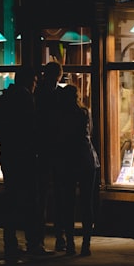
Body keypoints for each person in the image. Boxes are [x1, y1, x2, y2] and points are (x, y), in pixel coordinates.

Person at [0, 65, 54, 260]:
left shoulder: (6, 95)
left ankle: (10, 242)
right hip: (24, 155)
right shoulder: (25, 98)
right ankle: (33, 242)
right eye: (34, 81)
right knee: (32, 200)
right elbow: (32, 128)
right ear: (29, 80)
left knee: (11, 198)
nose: (35, 85)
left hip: (7, 153)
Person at [52, 84, 100, 256]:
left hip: (67, 160)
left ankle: (70, 243)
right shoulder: (84, 113)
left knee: (68, 203)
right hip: (86, 159)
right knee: (87, 203)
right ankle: (86, 244)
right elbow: (90, 133)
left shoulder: (60, 116)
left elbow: (58, 138)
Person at [35, 60, 65, 250]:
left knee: (40, 197)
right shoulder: (61, 95)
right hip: (58, 151)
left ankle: (38, 238)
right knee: (61, 195)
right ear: (60, 75)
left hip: (40, 151)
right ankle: (60, 237)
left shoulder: (36, 94)